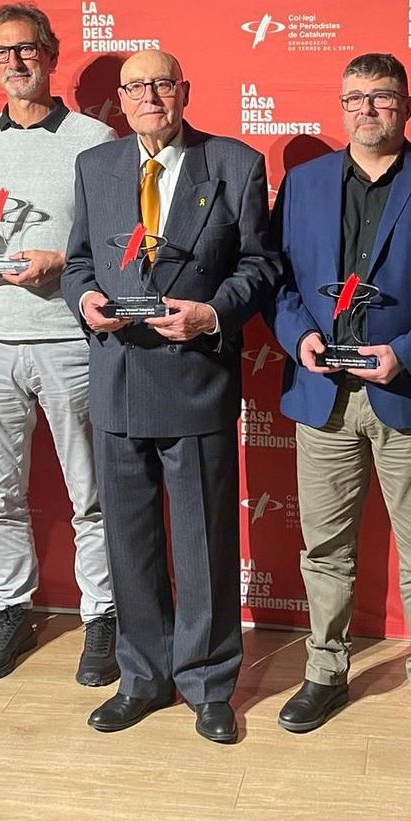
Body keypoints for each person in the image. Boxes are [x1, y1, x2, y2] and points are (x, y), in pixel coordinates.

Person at [265, 53, 411, 753]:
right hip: (324, 394)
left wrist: (408, 352)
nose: (367, 109)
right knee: (325, 547)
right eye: (355, 97)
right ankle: (325, 671)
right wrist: (299, 336)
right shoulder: (303, 183)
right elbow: (276, 279)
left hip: (410, 391)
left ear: (408, 106)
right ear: (341, 107)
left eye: (382, 97)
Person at [61, 49, 279, 744]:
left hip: (196, 379)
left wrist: (212, 314)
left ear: (184, 90)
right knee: (129, 545)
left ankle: (209, 684)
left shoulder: (235, 164)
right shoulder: (96, 166)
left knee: (203, 543)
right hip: (117, 380)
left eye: (161, 84)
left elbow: (261, 264)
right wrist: (84, 300)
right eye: (136, 87)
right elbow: (77, 262)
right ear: (121, 98)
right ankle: (142, 678)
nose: (149, 97)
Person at [0, 2, 118, 686]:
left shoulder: (94, 137)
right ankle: (14, 610)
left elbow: (117, 241)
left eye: (26, 49)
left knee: (91, 493)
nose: (15, 62)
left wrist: (63, 261)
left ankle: (102, 616)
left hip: (68, 340)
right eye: (1, 52)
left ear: (51, 54)